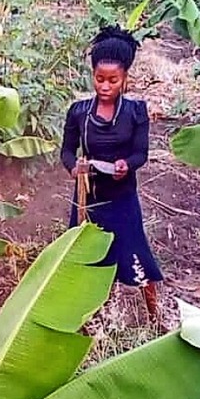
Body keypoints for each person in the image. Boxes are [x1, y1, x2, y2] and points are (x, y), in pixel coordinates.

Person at [60, 26, 163, 322]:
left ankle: (154, 316)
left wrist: (125, 166)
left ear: (125, 79)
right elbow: (67, 151)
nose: (105, 86)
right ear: (93, 76)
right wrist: (73, 167)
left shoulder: (136, 112)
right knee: (84, 258)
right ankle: (86, 317)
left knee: (135, 254)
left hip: (122, 197)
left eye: (112, 80)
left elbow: (140, 153)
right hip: (88, 199)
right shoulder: (79, 112)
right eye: (99, 79)